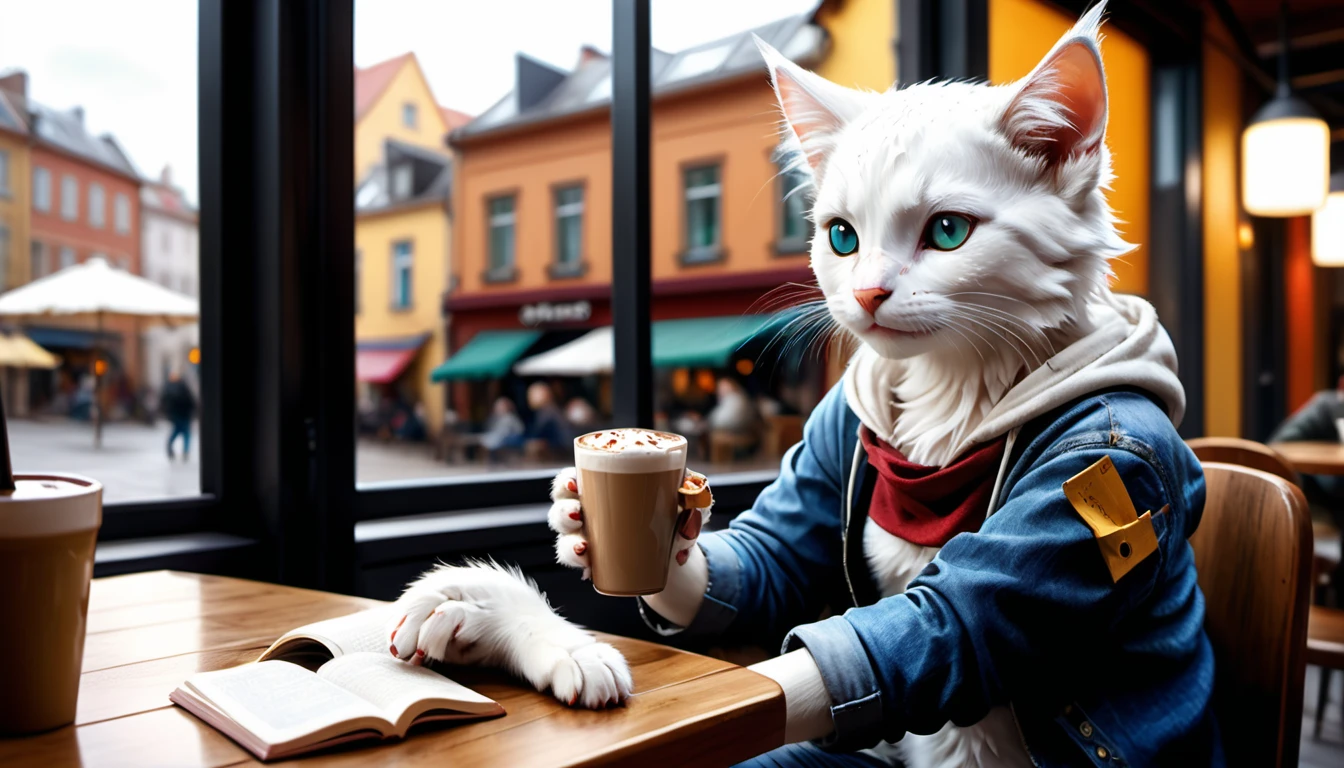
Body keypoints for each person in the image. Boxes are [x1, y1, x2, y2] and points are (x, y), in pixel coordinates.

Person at [160, 371, 197, 462]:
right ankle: (185, 451)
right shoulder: (182, 386)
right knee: (185, 433)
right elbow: (190, 400)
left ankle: (172, 446)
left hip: (177, 414)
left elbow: (164, 402)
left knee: (179, 431)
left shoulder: (168, 388)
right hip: (183, 414)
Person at [479, 397, 524, 463]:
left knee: (496, 441)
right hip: (499, 436)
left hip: (509, 438)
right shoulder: (495, 418)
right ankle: (493, 459)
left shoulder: (511, 418)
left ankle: (497, 459)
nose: (499, 409)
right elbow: (491, 428)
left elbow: (520, 430)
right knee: (489, 440)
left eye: (501, 407)